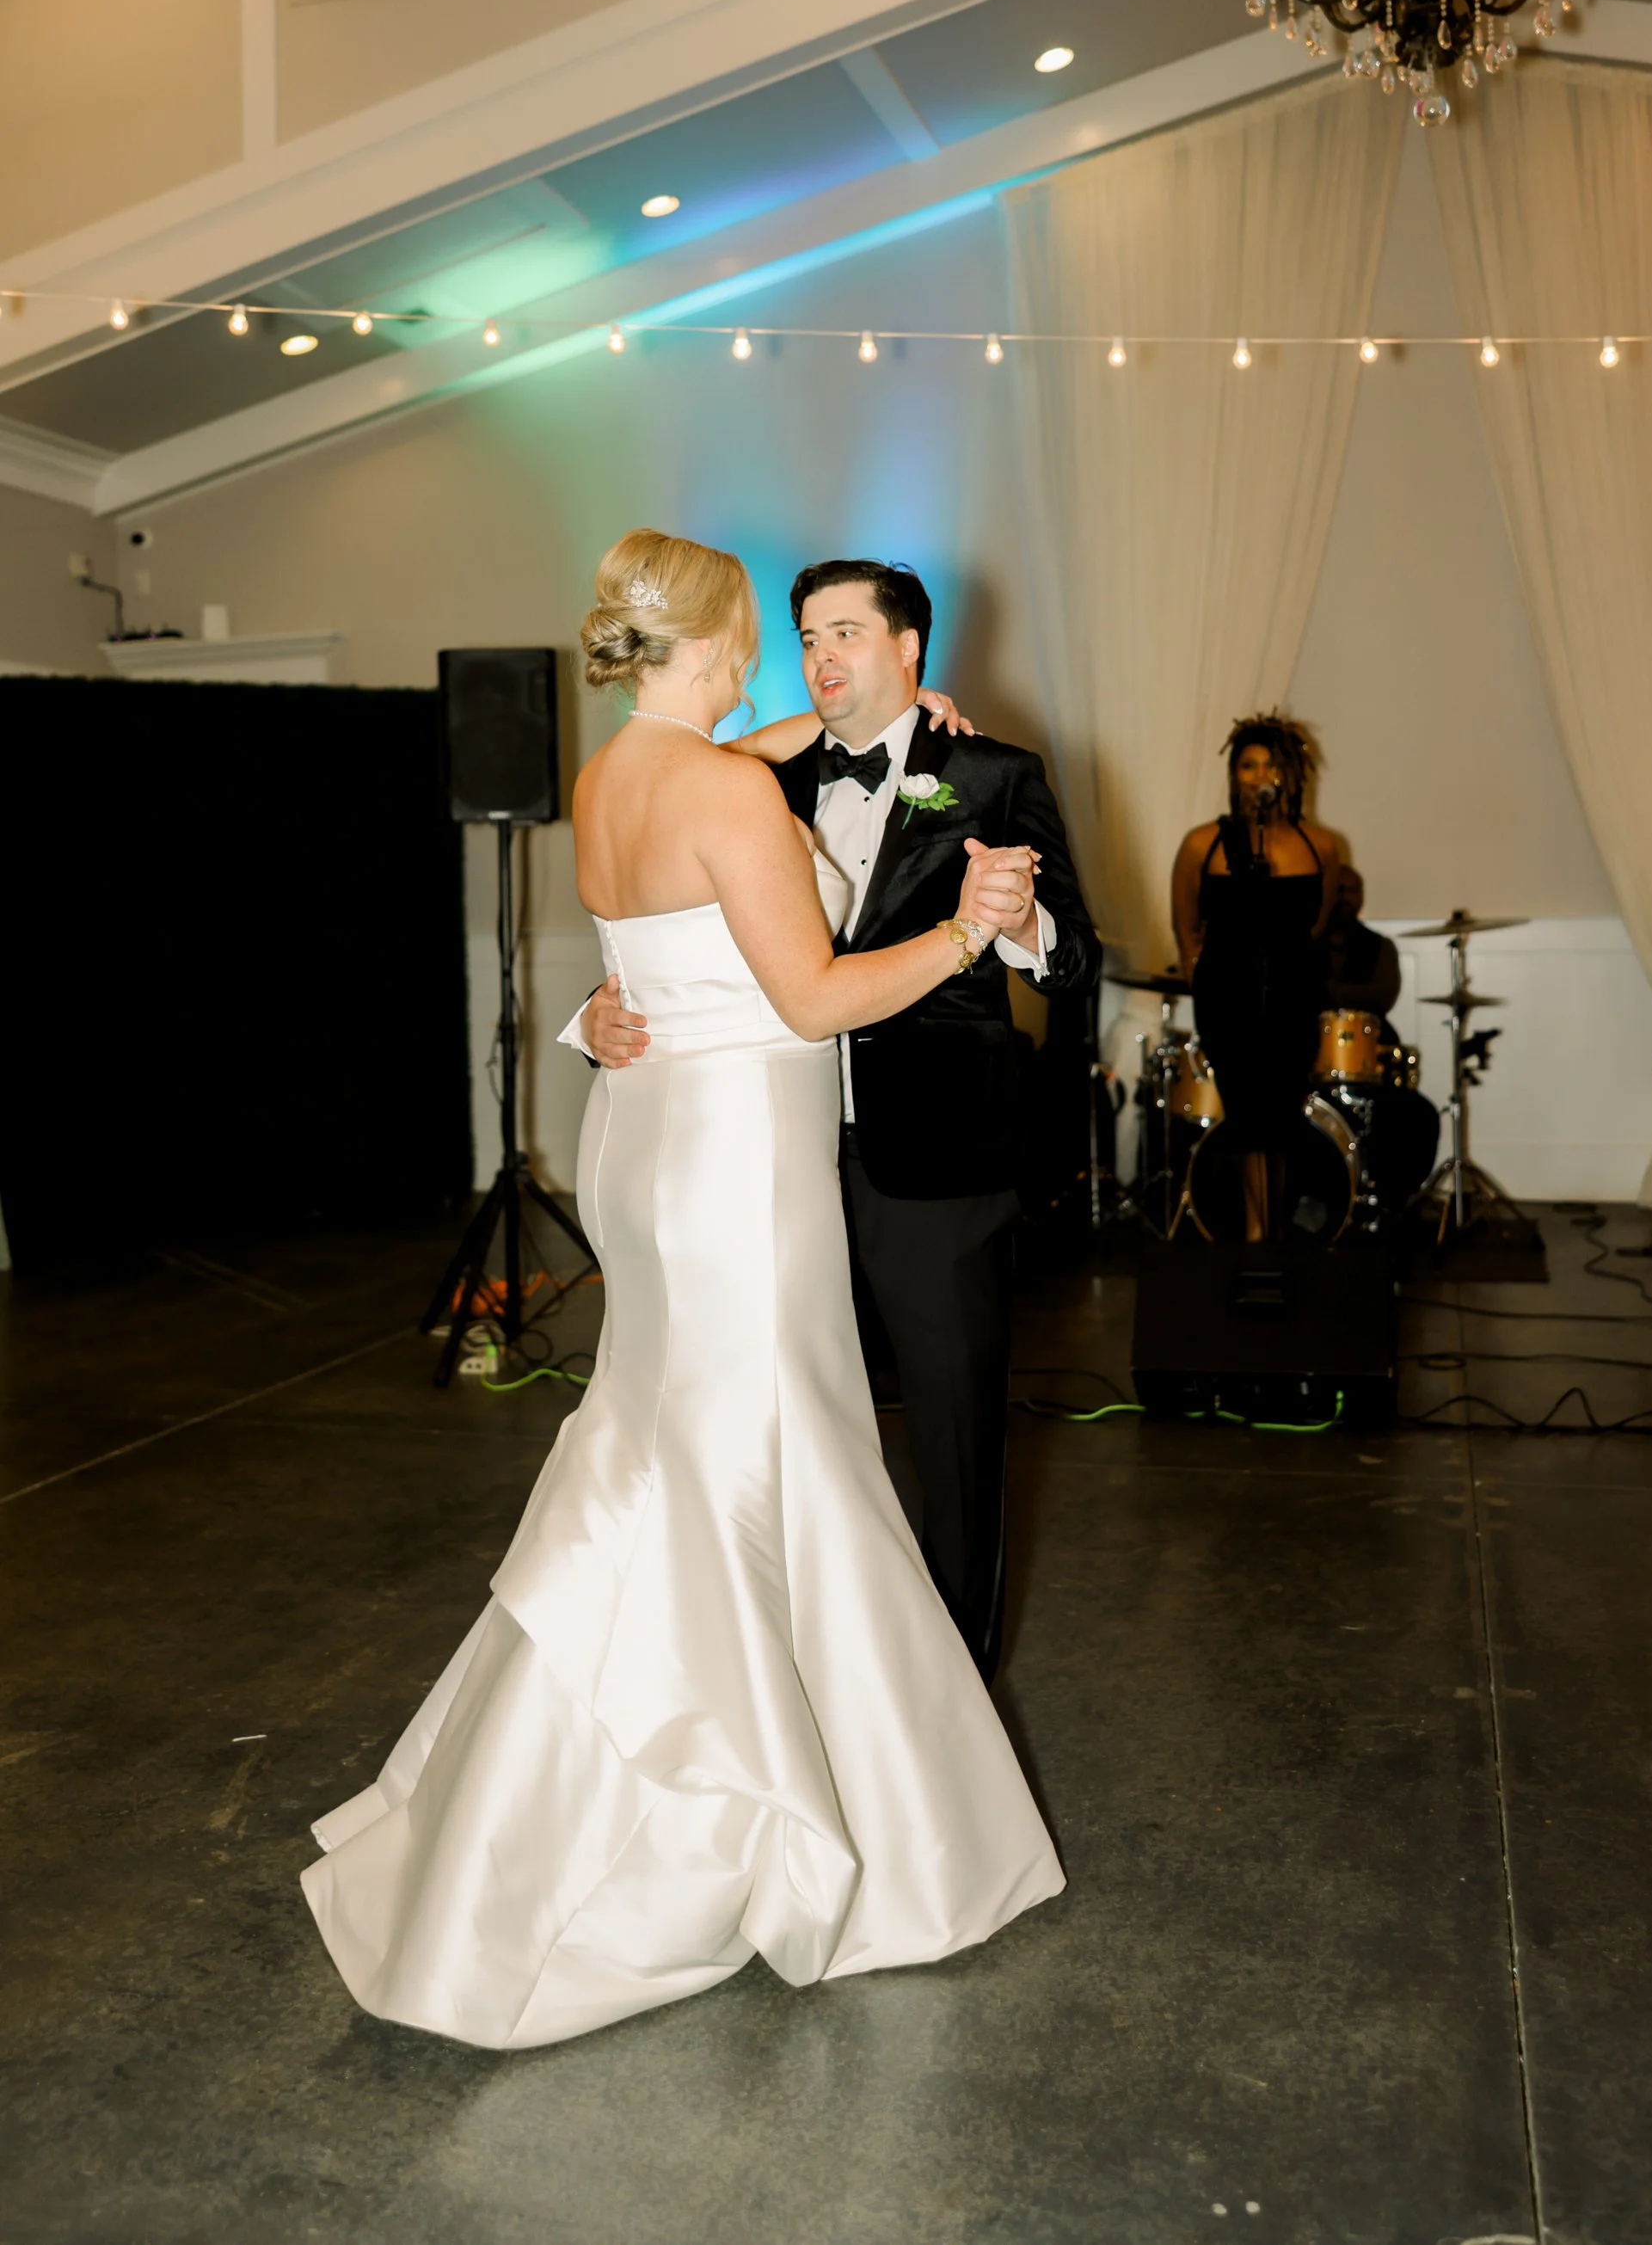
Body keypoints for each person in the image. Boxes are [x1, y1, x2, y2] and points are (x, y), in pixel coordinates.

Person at [302, 529, 1063, 2050]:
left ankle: (556, 1781)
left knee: (668, 1448)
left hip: (643, 1155)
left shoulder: (614, 776)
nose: (777, 672)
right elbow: (818, 996)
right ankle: (777, 1816)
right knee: (764, 1456)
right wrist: (966, 929)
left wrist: (896, 723)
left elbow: (728, 811)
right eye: (756, 648)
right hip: (737, 1172)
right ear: (714, 641)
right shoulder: (727, 789)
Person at [580, 557, 1098, 1682]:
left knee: (953, 1442)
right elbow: (663, 931)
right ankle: (802, 1674)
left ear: (912, 648)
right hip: (772, 1167)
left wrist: (1013, 928)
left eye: (848, 634)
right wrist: (595, 1007)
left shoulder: (996, 773)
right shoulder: (744, 775)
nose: (821, 658)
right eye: (807, 634)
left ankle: (953, 1685)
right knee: (779, 1434)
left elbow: (1075, 963)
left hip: (933, 1163)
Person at [1170, 716, 1339, 1240]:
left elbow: (1317, 921)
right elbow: (1186, 926)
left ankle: (1280, 1235)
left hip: (1293, 998)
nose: (1258, 774)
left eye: (1270, 764)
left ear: (1290, 774)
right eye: (1248, 764)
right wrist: (1209, 976)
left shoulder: (1321, 845)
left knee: (1284, 1119)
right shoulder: (1204, 844)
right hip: (1227, 999)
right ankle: (1252, 1236)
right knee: (1244, 1119)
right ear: (1234, 774)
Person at [1321, 863, 1402, 1025]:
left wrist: (1329, 991)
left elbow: (1383, 999)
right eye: (1340, 890)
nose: (1346, 898)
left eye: (1354, 891)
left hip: (1366, 1036)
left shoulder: (1380, 946)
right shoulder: (1306, 942)